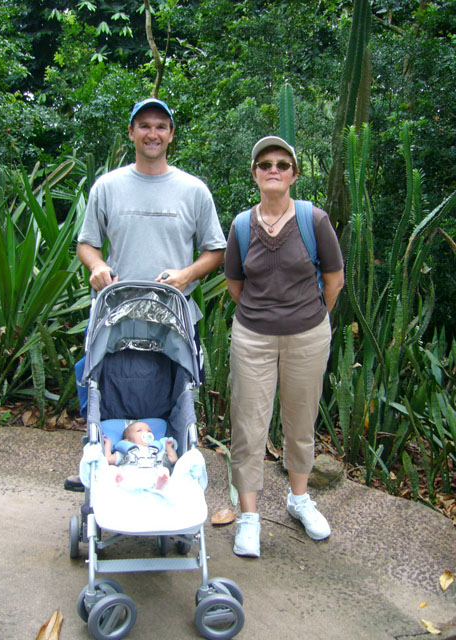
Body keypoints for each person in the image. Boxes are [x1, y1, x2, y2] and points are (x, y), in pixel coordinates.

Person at [65, 97, 226, 491]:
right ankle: (98, 460)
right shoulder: (108, 187)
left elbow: (216, 251)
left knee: (176, 393)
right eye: (144, 126)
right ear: (132, 133)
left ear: (171, 135)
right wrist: (97, 266)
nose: (152, 134)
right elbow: (85, 243)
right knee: (98, 384)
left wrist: (186, 273)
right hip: (115, 316)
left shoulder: (194, 191)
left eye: (160, 126)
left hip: (173, 320)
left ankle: (173, 467)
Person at [224, 136, 344, 557]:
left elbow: (334, 280)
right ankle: (249, 516)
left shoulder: (314, 220)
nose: (273, 169)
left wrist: (308, 318)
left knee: (300, 422)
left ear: (293, 173)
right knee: (248, 426)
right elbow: (235, 283)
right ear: (254, 174)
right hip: (252, 337)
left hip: (308, 336)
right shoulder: (242, 225)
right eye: (264, 163)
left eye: (281, 163)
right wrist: (266, 317)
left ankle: (298, 499)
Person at [104, 420, 178, 490]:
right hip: (129, 476)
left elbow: (173, 459)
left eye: (149, 431)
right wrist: (108, 444)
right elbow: (109, 459)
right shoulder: (126, 452)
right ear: (127, 440)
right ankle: (118, 480)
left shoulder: (156, 451)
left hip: (151, 477)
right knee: (111, 469)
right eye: (139, 430)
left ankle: (160, 483)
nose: (146, 432)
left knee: (164, 470)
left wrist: (169, 448)